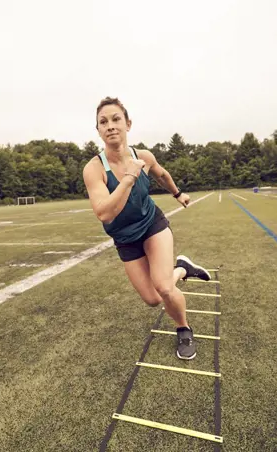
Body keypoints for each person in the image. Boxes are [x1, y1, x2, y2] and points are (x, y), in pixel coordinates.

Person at [82, 97, 211, 360]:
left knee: (164, 287)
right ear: (98, 130)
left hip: (152, 225)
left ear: (128, 124)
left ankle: (183, 328)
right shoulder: (94, 169)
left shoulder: (144, 156)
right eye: (103, 122)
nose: (110, 126)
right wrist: (130, 176)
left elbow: (161, 174)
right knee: (152, 299)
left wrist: (178, 194)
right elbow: (104, 212)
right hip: (125, 238)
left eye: (116, 119)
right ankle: (183, 268)